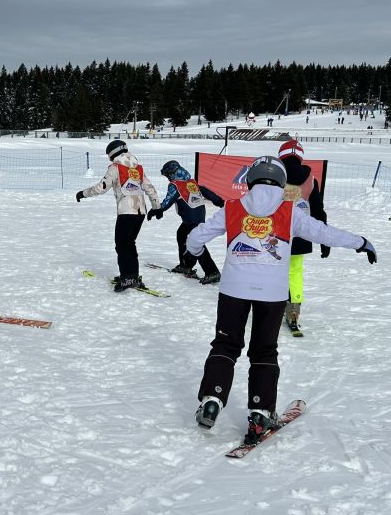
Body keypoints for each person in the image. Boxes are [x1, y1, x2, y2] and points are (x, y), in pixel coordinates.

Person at [188, 156, 376, 443]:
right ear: (279, 180)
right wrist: (360, 242)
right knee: (264, 350)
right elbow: (324, 232)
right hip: (273, 293)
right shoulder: (291, 210)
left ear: (251, 180)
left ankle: (212, 400)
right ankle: (261, 411)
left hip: (233, 290)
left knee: (225, 344)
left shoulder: (233, 207)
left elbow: (196, 238)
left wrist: (201, 258)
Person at [75, 140, 160, 292]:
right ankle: (132, 275)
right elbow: (150, 188)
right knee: (129, 243)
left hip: (127, 211)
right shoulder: (138, 168)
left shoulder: (115, 168)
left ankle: (128, 278)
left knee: (122, 244)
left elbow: (101, 188)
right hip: (140, 212)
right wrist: (156, 207)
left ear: (113, 153)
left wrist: (83, 193)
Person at [277, 140, 329, 335]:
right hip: (301, 234)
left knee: (273, 268)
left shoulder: (275, 175)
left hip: (276, 233)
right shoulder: (311, 180)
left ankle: (272, 305)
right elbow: (318, 210)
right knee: (295, 271)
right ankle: (293, 310)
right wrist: (324, 239)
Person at [147, 160, 224, 284]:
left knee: (196, 243)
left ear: (172, 173)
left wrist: (156, 210)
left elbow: (168, 200)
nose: (168, 178)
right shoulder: (192, 183)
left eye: (167, 175)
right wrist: (220, 201)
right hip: (198, 218)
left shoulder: (176, 185)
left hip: (191, 220)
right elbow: (207, 192)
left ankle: (212, 271)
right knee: (181, 234)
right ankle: (186, 264)